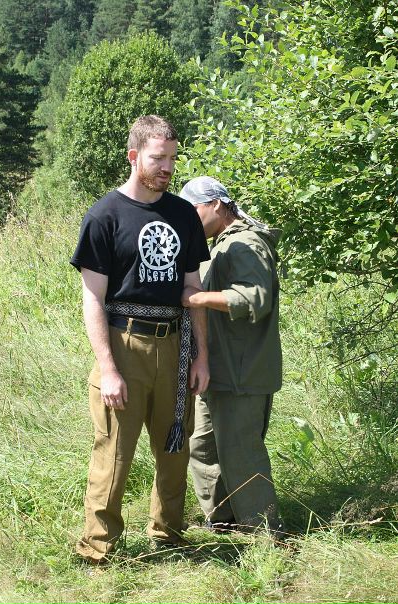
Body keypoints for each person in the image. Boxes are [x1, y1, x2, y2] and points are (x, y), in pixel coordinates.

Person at [70, 115, 210, 563]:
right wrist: (109, 368)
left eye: (172, 158)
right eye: (158, 158)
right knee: (114, 452)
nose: (167, 167)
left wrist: (200, 356)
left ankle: (168, 534)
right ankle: (98, 548)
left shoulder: (183, 215)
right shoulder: (105, 215)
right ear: (134, 157)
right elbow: (93, 298)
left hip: (174, 344)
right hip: (124, 342)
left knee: (175, 447)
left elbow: (193, 290)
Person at [179, 176, 283, 535]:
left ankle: (265, 533)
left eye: (194, 210)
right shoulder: (222, 244)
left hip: (242, 371)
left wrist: (196, 298)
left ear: (216, 205)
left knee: (241, 455)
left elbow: (254, 298)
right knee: (203, 449)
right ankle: (224, 522)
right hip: (217, 369)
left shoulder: (244, 244)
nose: (190, 220)